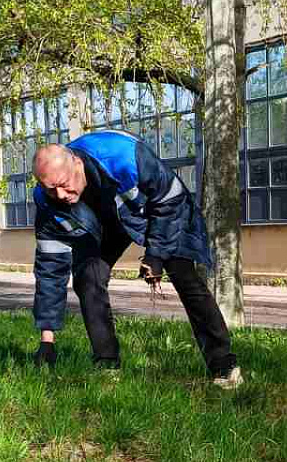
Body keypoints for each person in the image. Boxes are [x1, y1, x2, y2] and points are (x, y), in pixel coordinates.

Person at [29, 131, 242, 386]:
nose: (61, 195)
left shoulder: (123, 156)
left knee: (183, 273)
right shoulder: (47, 202)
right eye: (52, 189)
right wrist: (47, 339)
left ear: (76, 163)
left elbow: (169, 200)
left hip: (155, 212)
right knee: (88, 278)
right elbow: (50, 270)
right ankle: (107, 365)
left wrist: (156, 254)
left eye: (64, 184)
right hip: (102, 226)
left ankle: (224, 367)